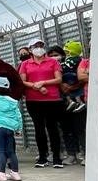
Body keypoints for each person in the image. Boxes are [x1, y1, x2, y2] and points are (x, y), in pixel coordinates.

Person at [19, 38, 64, 168]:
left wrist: (43, 83)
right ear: (30, 49)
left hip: (52, 99)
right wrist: (35, 86)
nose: (38, 48)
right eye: (35, 46)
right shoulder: (25, 64)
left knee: (53, 128)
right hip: (34, 100)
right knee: (39, 128)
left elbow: (58, 79)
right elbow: (23, 81)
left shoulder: (52, 61)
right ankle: (42, 157)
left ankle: (56, 157)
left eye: (41, 45)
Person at [60, 41, 86, 112]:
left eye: (67, 52)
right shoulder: (81, 59)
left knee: (65, 91)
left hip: (69, 76)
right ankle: (80, 102)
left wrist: (60, 65)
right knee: (77, 92)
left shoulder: (70, 60)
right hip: (77, 78)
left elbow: (65, 66)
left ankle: (70, 101)